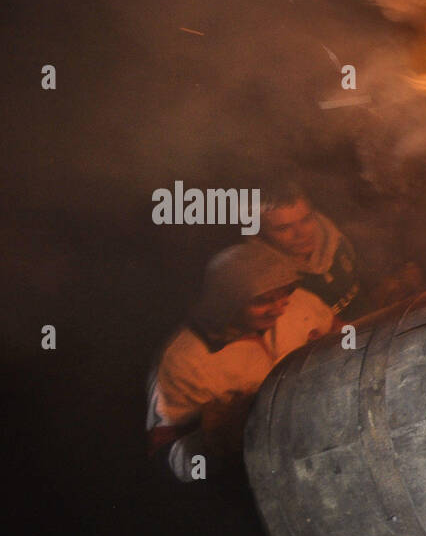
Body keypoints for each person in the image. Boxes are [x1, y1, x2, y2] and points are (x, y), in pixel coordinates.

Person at [147, 244, 335, 481]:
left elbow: (340, 331)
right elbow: (164, 457)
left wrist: (330, 348)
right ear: (227, 301)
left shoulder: (297, 304)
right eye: (263, 301)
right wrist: (218, 437)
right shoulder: (182, 361)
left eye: (284, 294)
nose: (278, 309)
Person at [256, 183, 370, 321]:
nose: (301, 233)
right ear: (261, 233)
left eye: (306, 220)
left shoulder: (336, 237)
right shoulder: (266, 284)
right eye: (283, 228)